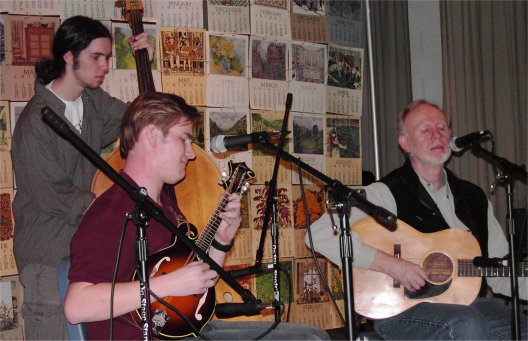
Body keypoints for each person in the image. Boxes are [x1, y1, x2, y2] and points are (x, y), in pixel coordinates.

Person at [64, 92, 330, 340]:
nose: (191, 154)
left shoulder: (164, 206)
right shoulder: (110, 212)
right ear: (152, 135)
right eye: (184, 139)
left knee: (314, 336)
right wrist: (168, 283)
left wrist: (222, 240)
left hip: (189, 330)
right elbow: (77, 306)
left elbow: (200, 284)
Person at [307, 100, 528, 340]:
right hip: (397, 309)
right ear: (406, 143)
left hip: (465, 304)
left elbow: (501, 271)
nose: (437, 135)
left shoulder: (474, 198)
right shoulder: (386, 192)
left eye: (442, 128)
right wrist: (391, 265)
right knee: (468, 324)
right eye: (425, 130)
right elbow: (318, 234)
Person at [10, 15, 153, 340]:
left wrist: (146, 64)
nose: (103, 66)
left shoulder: (93, 102)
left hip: (83, 250)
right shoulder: (34, 122)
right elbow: (57, 195)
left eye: (107, 57)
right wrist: (114, 209)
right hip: (47, 255)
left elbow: (143, 119)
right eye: (96, 57)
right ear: (69, 56)